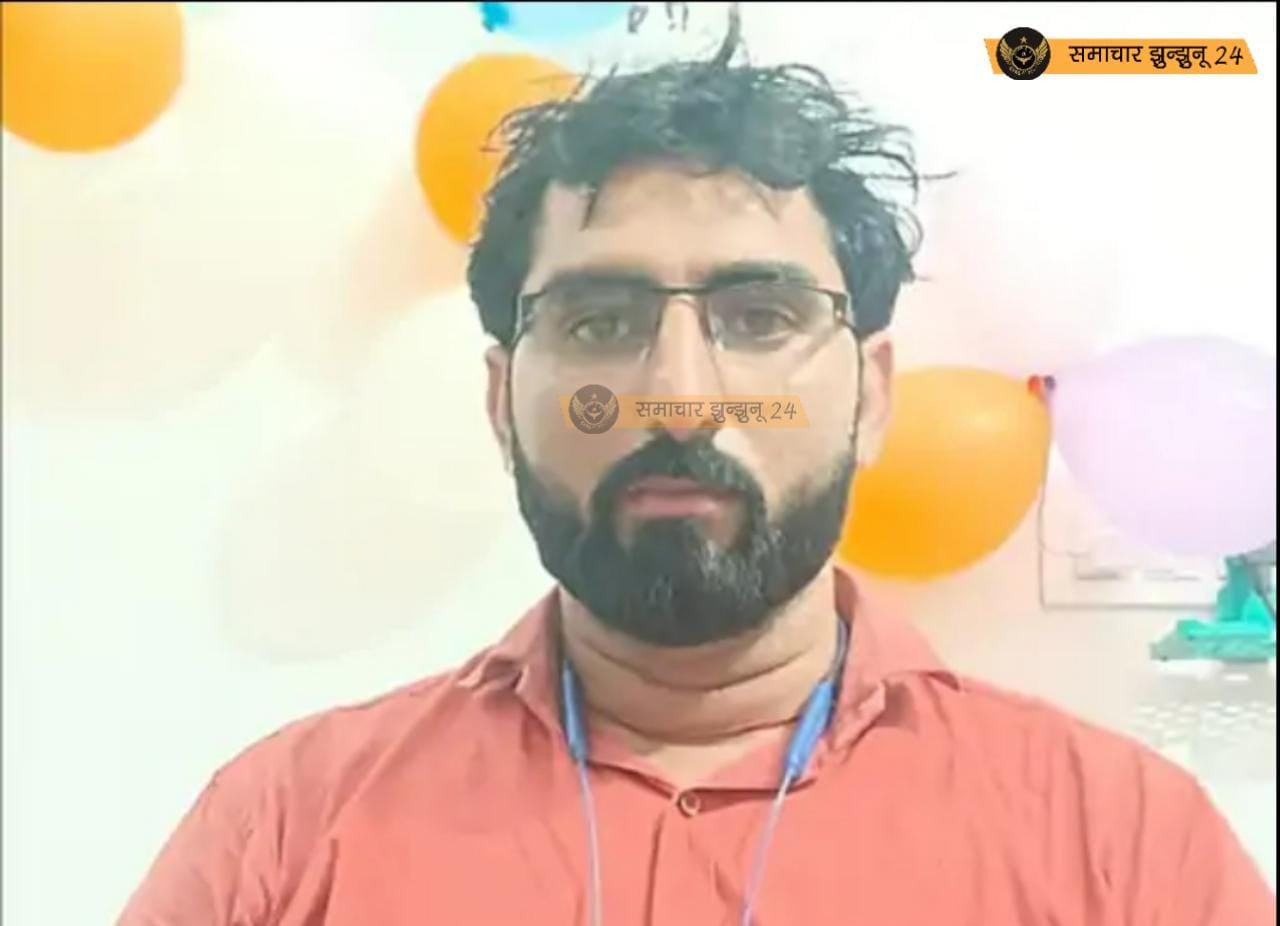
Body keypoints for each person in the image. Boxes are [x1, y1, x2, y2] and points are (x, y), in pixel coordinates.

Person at [119, 27, 1275, 926]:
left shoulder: (1121, 845)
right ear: (499, 399)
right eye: (599, 319)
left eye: (758, 316)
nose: (677, 395)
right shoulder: (286, 829)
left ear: (871, 394)